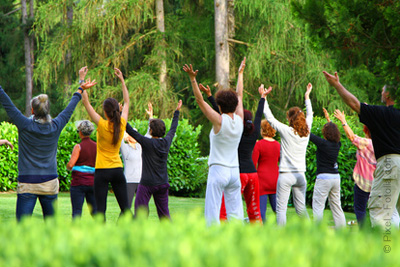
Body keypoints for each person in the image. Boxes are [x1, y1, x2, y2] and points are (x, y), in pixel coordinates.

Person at [0, 79, 96, 221]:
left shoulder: (25, 124)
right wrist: (80, 89)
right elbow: (69, 108)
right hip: (50, 183)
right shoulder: (55, 126)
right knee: (51, 228)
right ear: (48, 110)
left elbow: (7, 104)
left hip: (27, 183)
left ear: (32, 110)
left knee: (21, 229)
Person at [323, 71, 400, 228]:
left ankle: (383, 250)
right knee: (393, 211)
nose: (381, 93)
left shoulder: (381, 113)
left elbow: (354, 104)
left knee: (379, 212)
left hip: (389, 164)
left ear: (388, 95)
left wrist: (337, 85)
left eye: (383, 91)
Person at [183, 58, 245, 225]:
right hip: (234, 171)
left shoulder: (219, 121)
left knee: (212, 212)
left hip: (218, 170)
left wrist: (193, 79)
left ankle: (213, 243)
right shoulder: (240, 119)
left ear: (219, 105)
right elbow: (239, 95)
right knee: (236, 214)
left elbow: (200, 101)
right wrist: (240, 74)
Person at [80, 66, 130, 220]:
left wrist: (82, 79)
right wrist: (122, 80)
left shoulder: (101, 124)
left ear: (105, 111)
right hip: (117, 169)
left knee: (100, 211)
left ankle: (102, 239)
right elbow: (127, 102)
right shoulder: (122, 123)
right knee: (126, 209)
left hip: (102, 171)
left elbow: (86, 103)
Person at [263, 83, 313, 225]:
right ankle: (311, 233)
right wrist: (307, 97)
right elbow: (310, 114)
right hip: (300, 175)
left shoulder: (286, 131)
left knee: (281, 209)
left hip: (286, 175)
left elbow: (270, 119)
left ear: (290, 119)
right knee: (301, 209)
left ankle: (281, 237)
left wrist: (264, 99)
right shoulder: (307, 131)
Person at [216, 87, 267, 223]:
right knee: (254, 208)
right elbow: (258, 115)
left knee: (226, 207)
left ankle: (222, 231)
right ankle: (258, 233)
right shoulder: (255, 133)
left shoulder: (235, 131)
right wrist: (262, 98)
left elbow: (220, 115)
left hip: (239, 174)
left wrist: (211, 98)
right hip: (253, 174)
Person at [125, 100, 182, 220]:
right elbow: (173, 129)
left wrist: (120, 114)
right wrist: (176, 113)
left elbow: (130, 131)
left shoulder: (147, 142)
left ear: (150, 131)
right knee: (164, 215)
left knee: (140, 213)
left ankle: (138, 235)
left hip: (147, 183)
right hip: (162, 183)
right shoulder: (166, 142)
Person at [310, 108, 346, 228]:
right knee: (336, 205)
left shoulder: (322, 143)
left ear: (326, 133)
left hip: (324, 178)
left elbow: (308, 134)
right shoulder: (338, 144)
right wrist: (328, 120)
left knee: (318, 205)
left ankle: (318, 230)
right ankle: (342, 229)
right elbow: (332, 132)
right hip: (335, 178)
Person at [120, 103, 152, 209]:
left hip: (141, 181)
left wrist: (151, 117)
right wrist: (120, 114)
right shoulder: (125, 149)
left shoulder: (140, 147)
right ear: (128, 137)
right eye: (132, 134)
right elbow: (120, 131)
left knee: (142, 208)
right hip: (129, 181)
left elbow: (149, 134)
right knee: (126, 207)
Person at [67, 120, 97, 218]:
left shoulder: (78, 147)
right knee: (95, 211)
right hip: (92, 183)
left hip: (78, 183)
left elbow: (71, 165)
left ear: (80, 132)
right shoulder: (97, 146)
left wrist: (68, 167)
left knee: (77, 211)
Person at [252, 119, 280, 222]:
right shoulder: (278, 145)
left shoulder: (259, 144)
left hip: (262, 180)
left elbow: (253, 163)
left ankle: (262, 230)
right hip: (275, 179)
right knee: (278, 210)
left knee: (260, 211)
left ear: (262, 130)